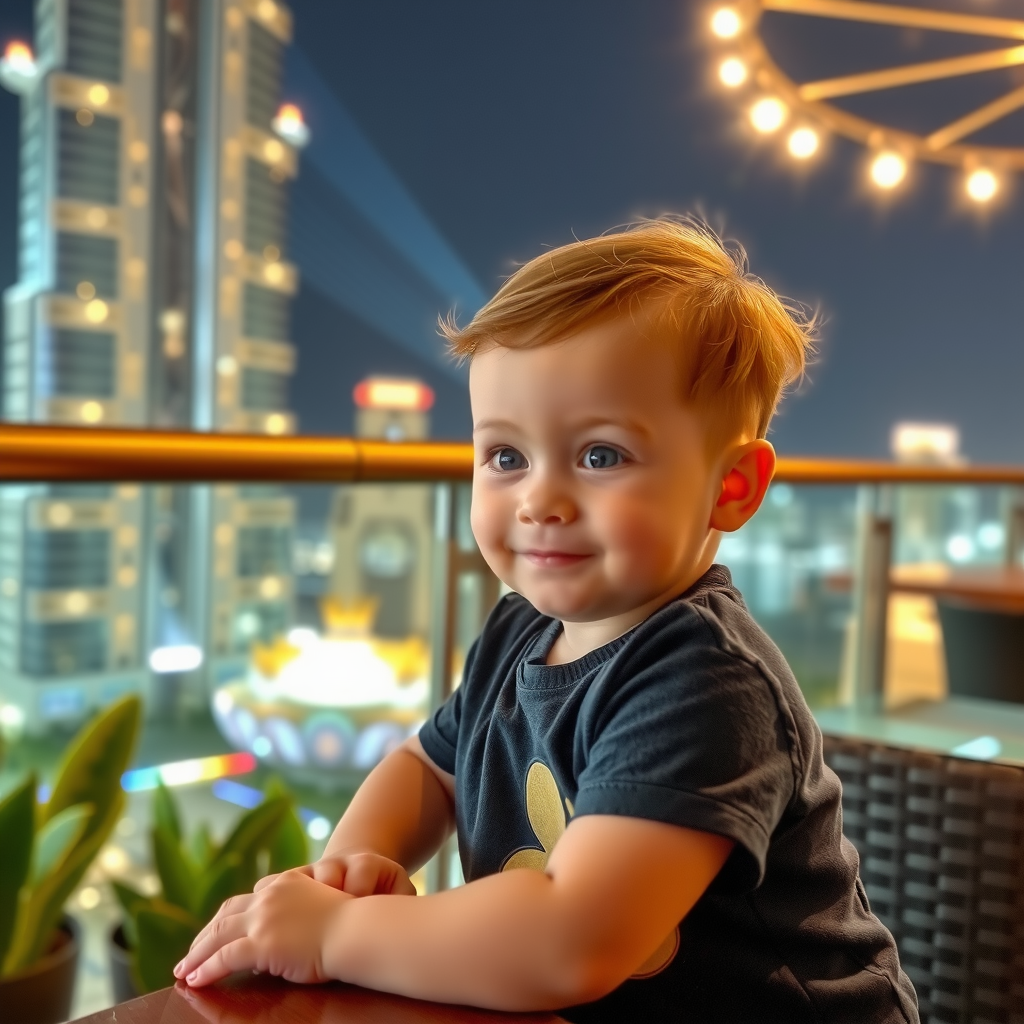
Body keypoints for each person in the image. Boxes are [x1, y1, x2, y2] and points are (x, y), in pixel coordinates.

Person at [176, 219, 919, 1023]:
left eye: (600, 456)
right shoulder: (517, 629)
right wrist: (353, 866)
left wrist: (337, 935)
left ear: (731, 487)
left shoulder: (705, 679)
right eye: (505, 456)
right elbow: (429, 768)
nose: (539, 500)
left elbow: (573, 938)